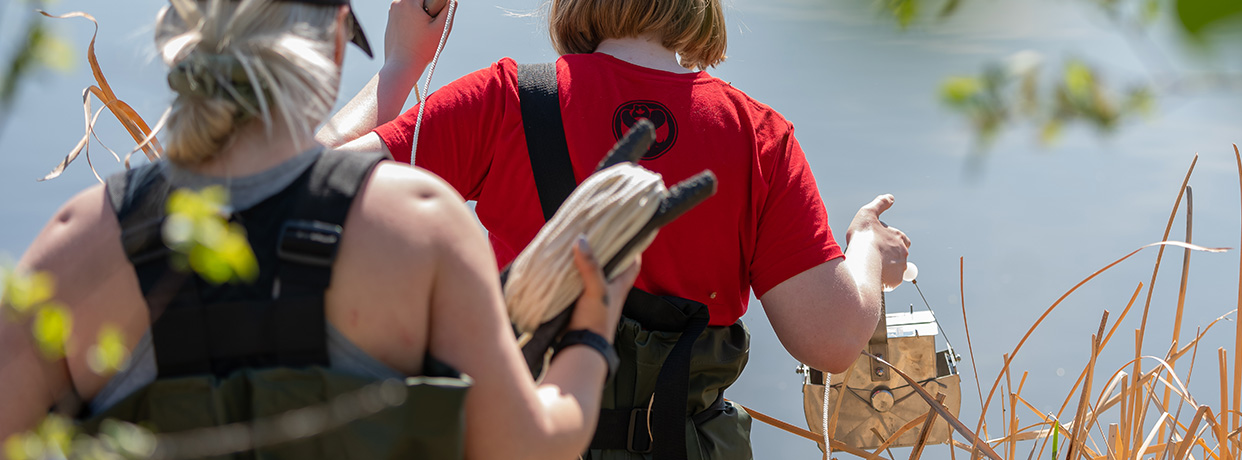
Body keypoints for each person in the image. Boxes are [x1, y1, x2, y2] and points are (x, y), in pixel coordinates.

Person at [0, 1, 638, 458]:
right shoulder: (419, 225)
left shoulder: (78, 242)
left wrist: (395, 76)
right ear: (335, 41)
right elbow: (527, 447)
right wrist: (591, 333)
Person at [319, 0, 914, 458]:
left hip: (525, 438)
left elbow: (310, 185)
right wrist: (865, 247)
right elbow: (830, 341)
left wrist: (400, 66)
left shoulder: (505, 100)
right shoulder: (757, 136)